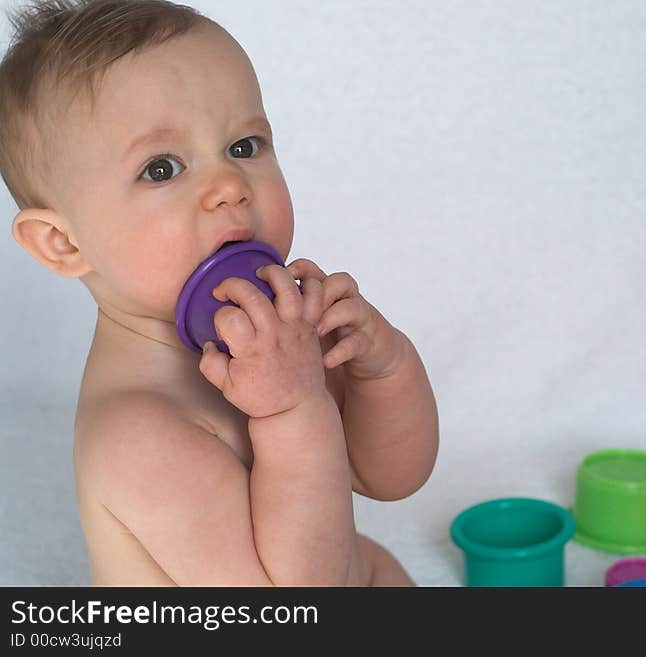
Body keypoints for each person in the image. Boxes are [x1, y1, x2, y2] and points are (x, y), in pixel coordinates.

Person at [0, 0, 439, 586]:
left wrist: (382, 370)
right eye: (162, 168)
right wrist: (293, 409)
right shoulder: (137, 434)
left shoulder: (273, 339)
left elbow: (392, 477)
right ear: (61, 242)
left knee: (381, 568)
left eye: (244, 146)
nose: (229, 186)